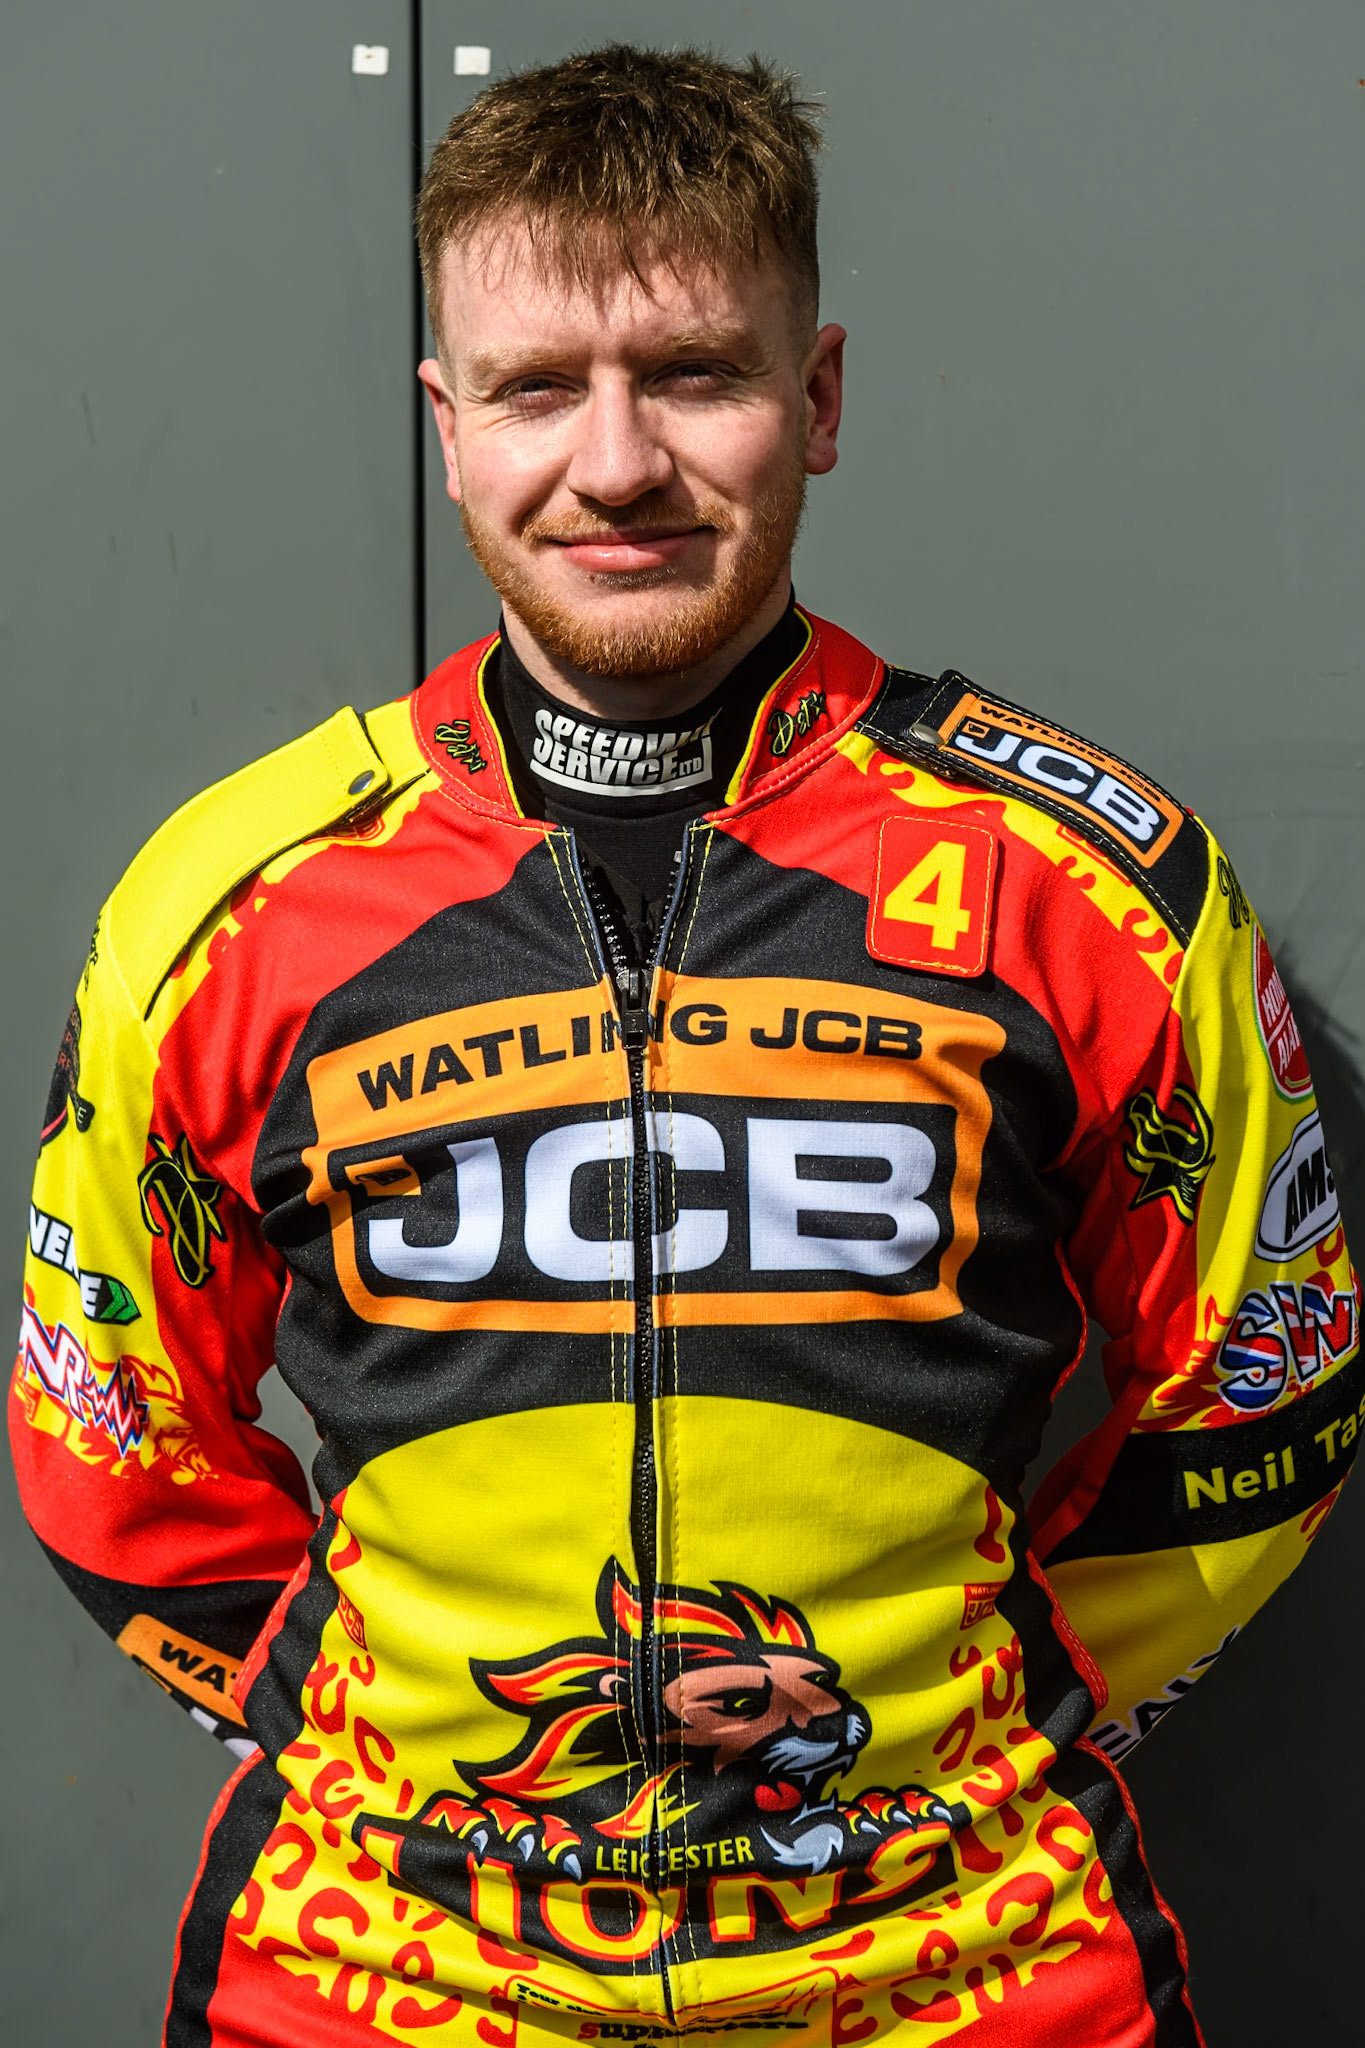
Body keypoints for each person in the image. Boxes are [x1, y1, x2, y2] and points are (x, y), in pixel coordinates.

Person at [10, 42, 1360, 2048]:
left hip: (963, 1980)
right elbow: (103, 1411)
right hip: (382, 1984)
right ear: (446, 427)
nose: (618, 460)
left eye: (694, 374)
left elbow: (1270, 1361)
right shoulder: (236, 903)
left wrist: (1028, 1688)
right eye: (540, 386)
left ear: (814, 403)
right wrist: (337, 1716)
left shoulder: (1081, 878)